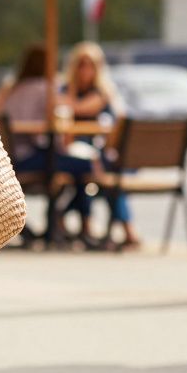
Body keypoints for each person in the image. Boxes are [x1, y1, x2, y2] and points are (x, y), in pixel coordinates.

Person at [0, 44, 101, 243]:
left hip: (6, 157)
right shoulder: (45, 89)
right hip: (27, 157)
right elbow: (39, 136)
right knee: (87, 166)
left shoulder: (12, 89)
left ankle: (58, 221)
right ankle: (66, 220)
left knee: (71, 168)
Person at [60, 42, 141, 249]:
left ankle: (67, 218)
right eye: (81, 65)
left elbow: (85, 110)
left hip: (100, 150)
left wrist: (71, 101)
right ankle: (89, 226)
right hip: (74, 151)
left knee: (99, 175)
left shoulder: (103, 92)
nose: (85, 70)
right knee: (86, 171)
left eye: (90, 65)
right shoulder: (67, 89)